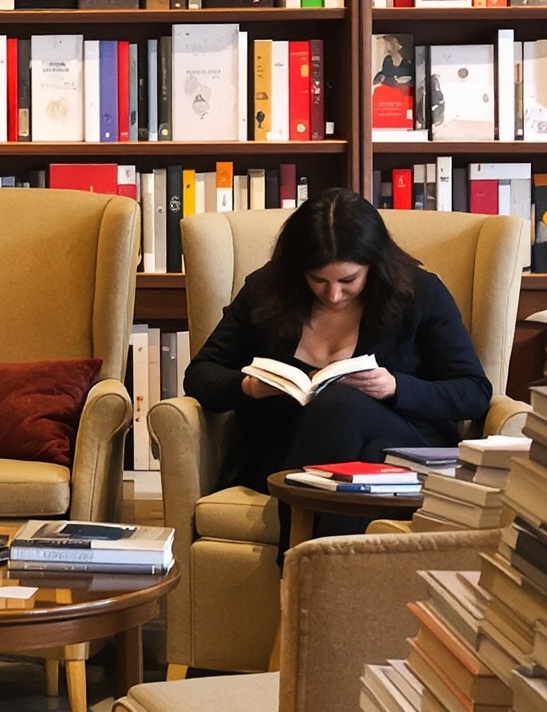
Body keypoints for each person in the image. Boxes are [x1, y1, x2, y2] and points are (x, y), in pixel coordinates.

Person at [184, 187, 492, 490]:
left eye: (349, 280)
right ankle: (329, 538)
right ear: (297, 270)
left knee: (346, 410)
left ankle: (300, 535)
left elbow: (474, 392)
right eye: (317, 280)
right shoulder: (266, 290)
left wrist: (395, 387)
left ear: (375, 265)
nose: (333, 295)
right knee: (371, 459)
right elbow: (200, 374)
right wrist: (247, 386)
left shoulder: (419, 293)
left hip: (405, 440)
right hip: (285, 450)